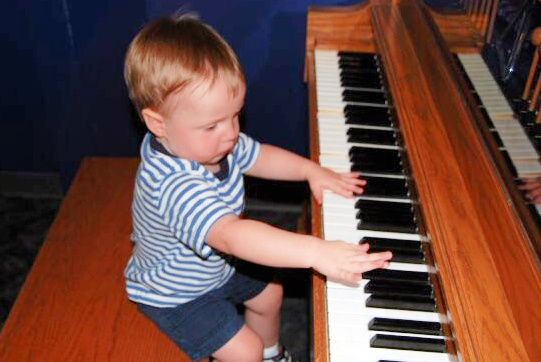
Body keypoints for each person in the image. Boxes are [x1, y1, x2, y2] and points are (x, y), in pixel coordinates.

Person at [123, 14, 392, 362]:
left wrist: (311, 170)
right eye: (213, 125)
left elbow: (261, 156)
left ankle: (271, 355)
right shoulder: (173, 184)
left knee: (270, 292)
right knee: (244, 350)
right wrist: (315, 251)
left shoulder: (213, 143)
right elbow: (232, 236)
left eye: (235, 115)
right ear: (157, 123)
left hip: (214, 270)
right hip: (174, 295)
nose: (232, 132)